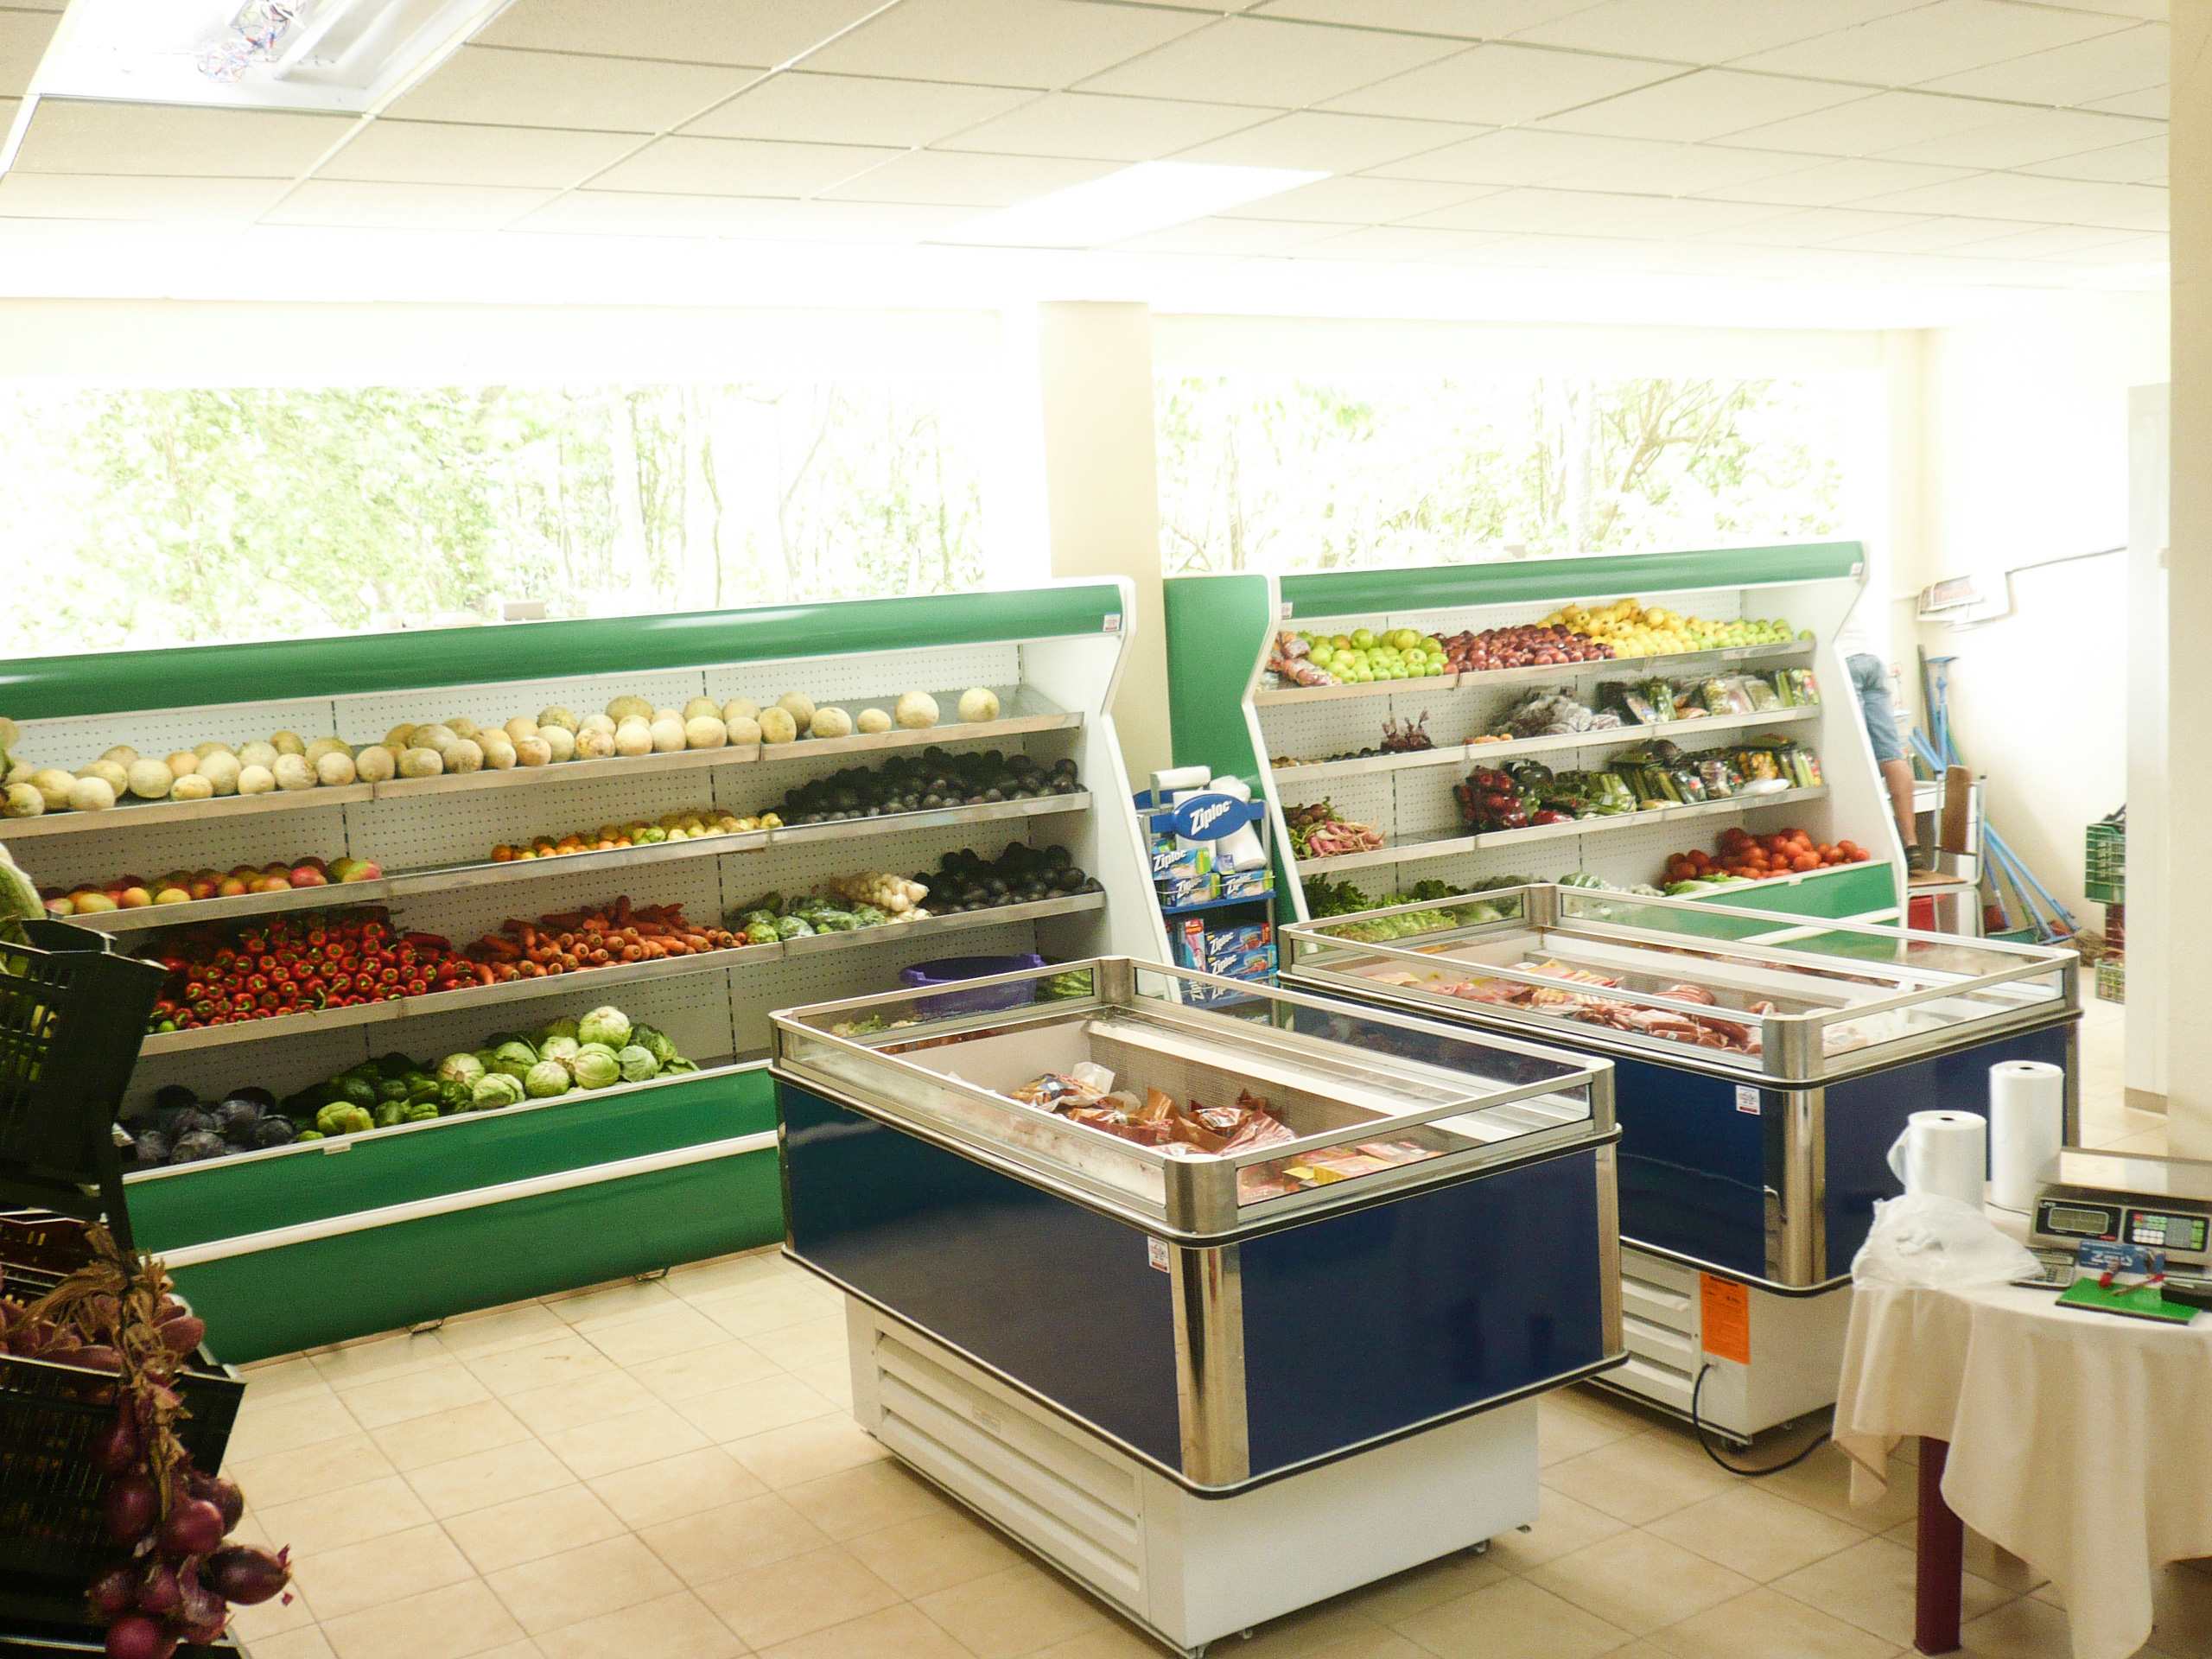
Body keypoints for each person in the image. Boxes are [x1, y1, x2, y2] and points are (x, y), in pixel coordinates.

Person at [1832, 599, 1927, 872]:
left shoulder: (1803, 591)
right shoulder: (1839, 585)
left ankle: (1868, 846)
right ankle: (1911, 845)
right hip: (1872, 661)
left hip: (1843, 662)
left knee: (1855, 755)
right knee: (1891, 753)